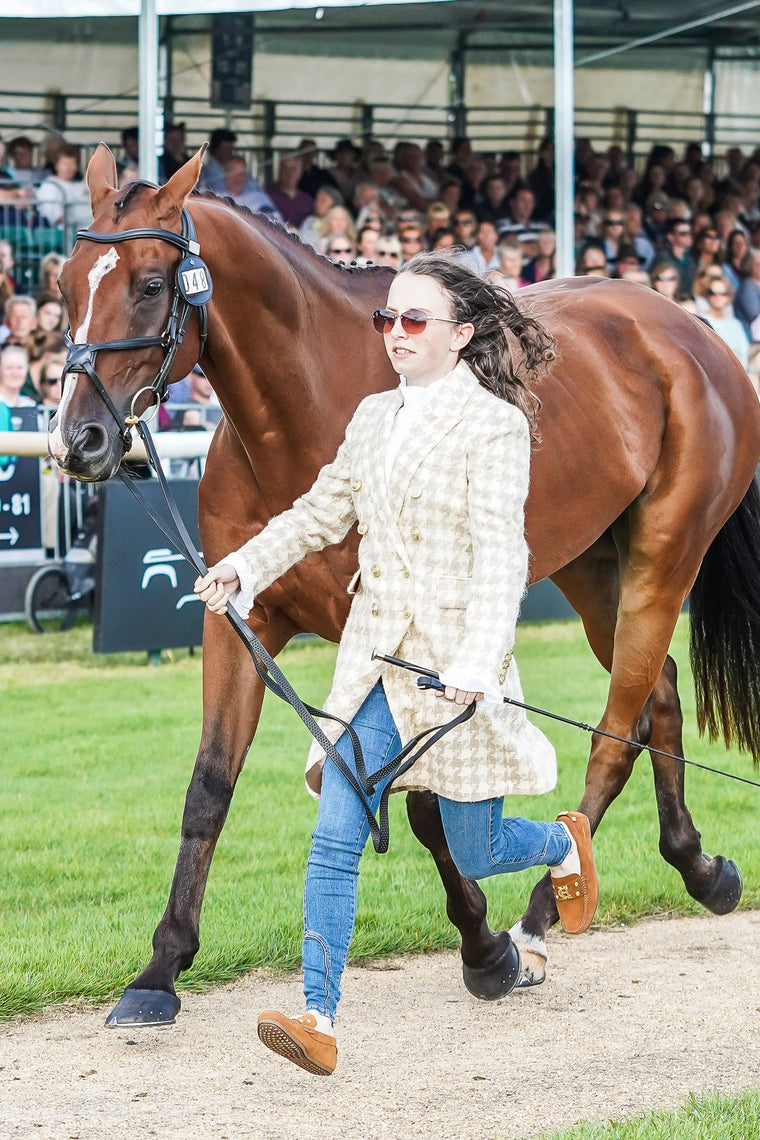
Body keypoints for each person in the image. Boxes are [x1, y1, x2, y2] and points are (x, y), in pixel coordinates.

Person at [193, 251, 599, 1077]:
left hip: (458, 671)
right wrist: (244, 565)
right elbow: (318, 511)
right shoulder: (374, 417)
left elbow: (500, 555)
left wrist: (479, 664)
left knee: (478, 850)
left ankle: (561, 842)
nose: (396, 334)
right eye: (388, 319)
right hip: (374, 663)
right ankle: (319, 1017)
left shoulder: (496, 425)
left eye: (415, 320)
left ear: (462, 334)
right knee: (335, 831)